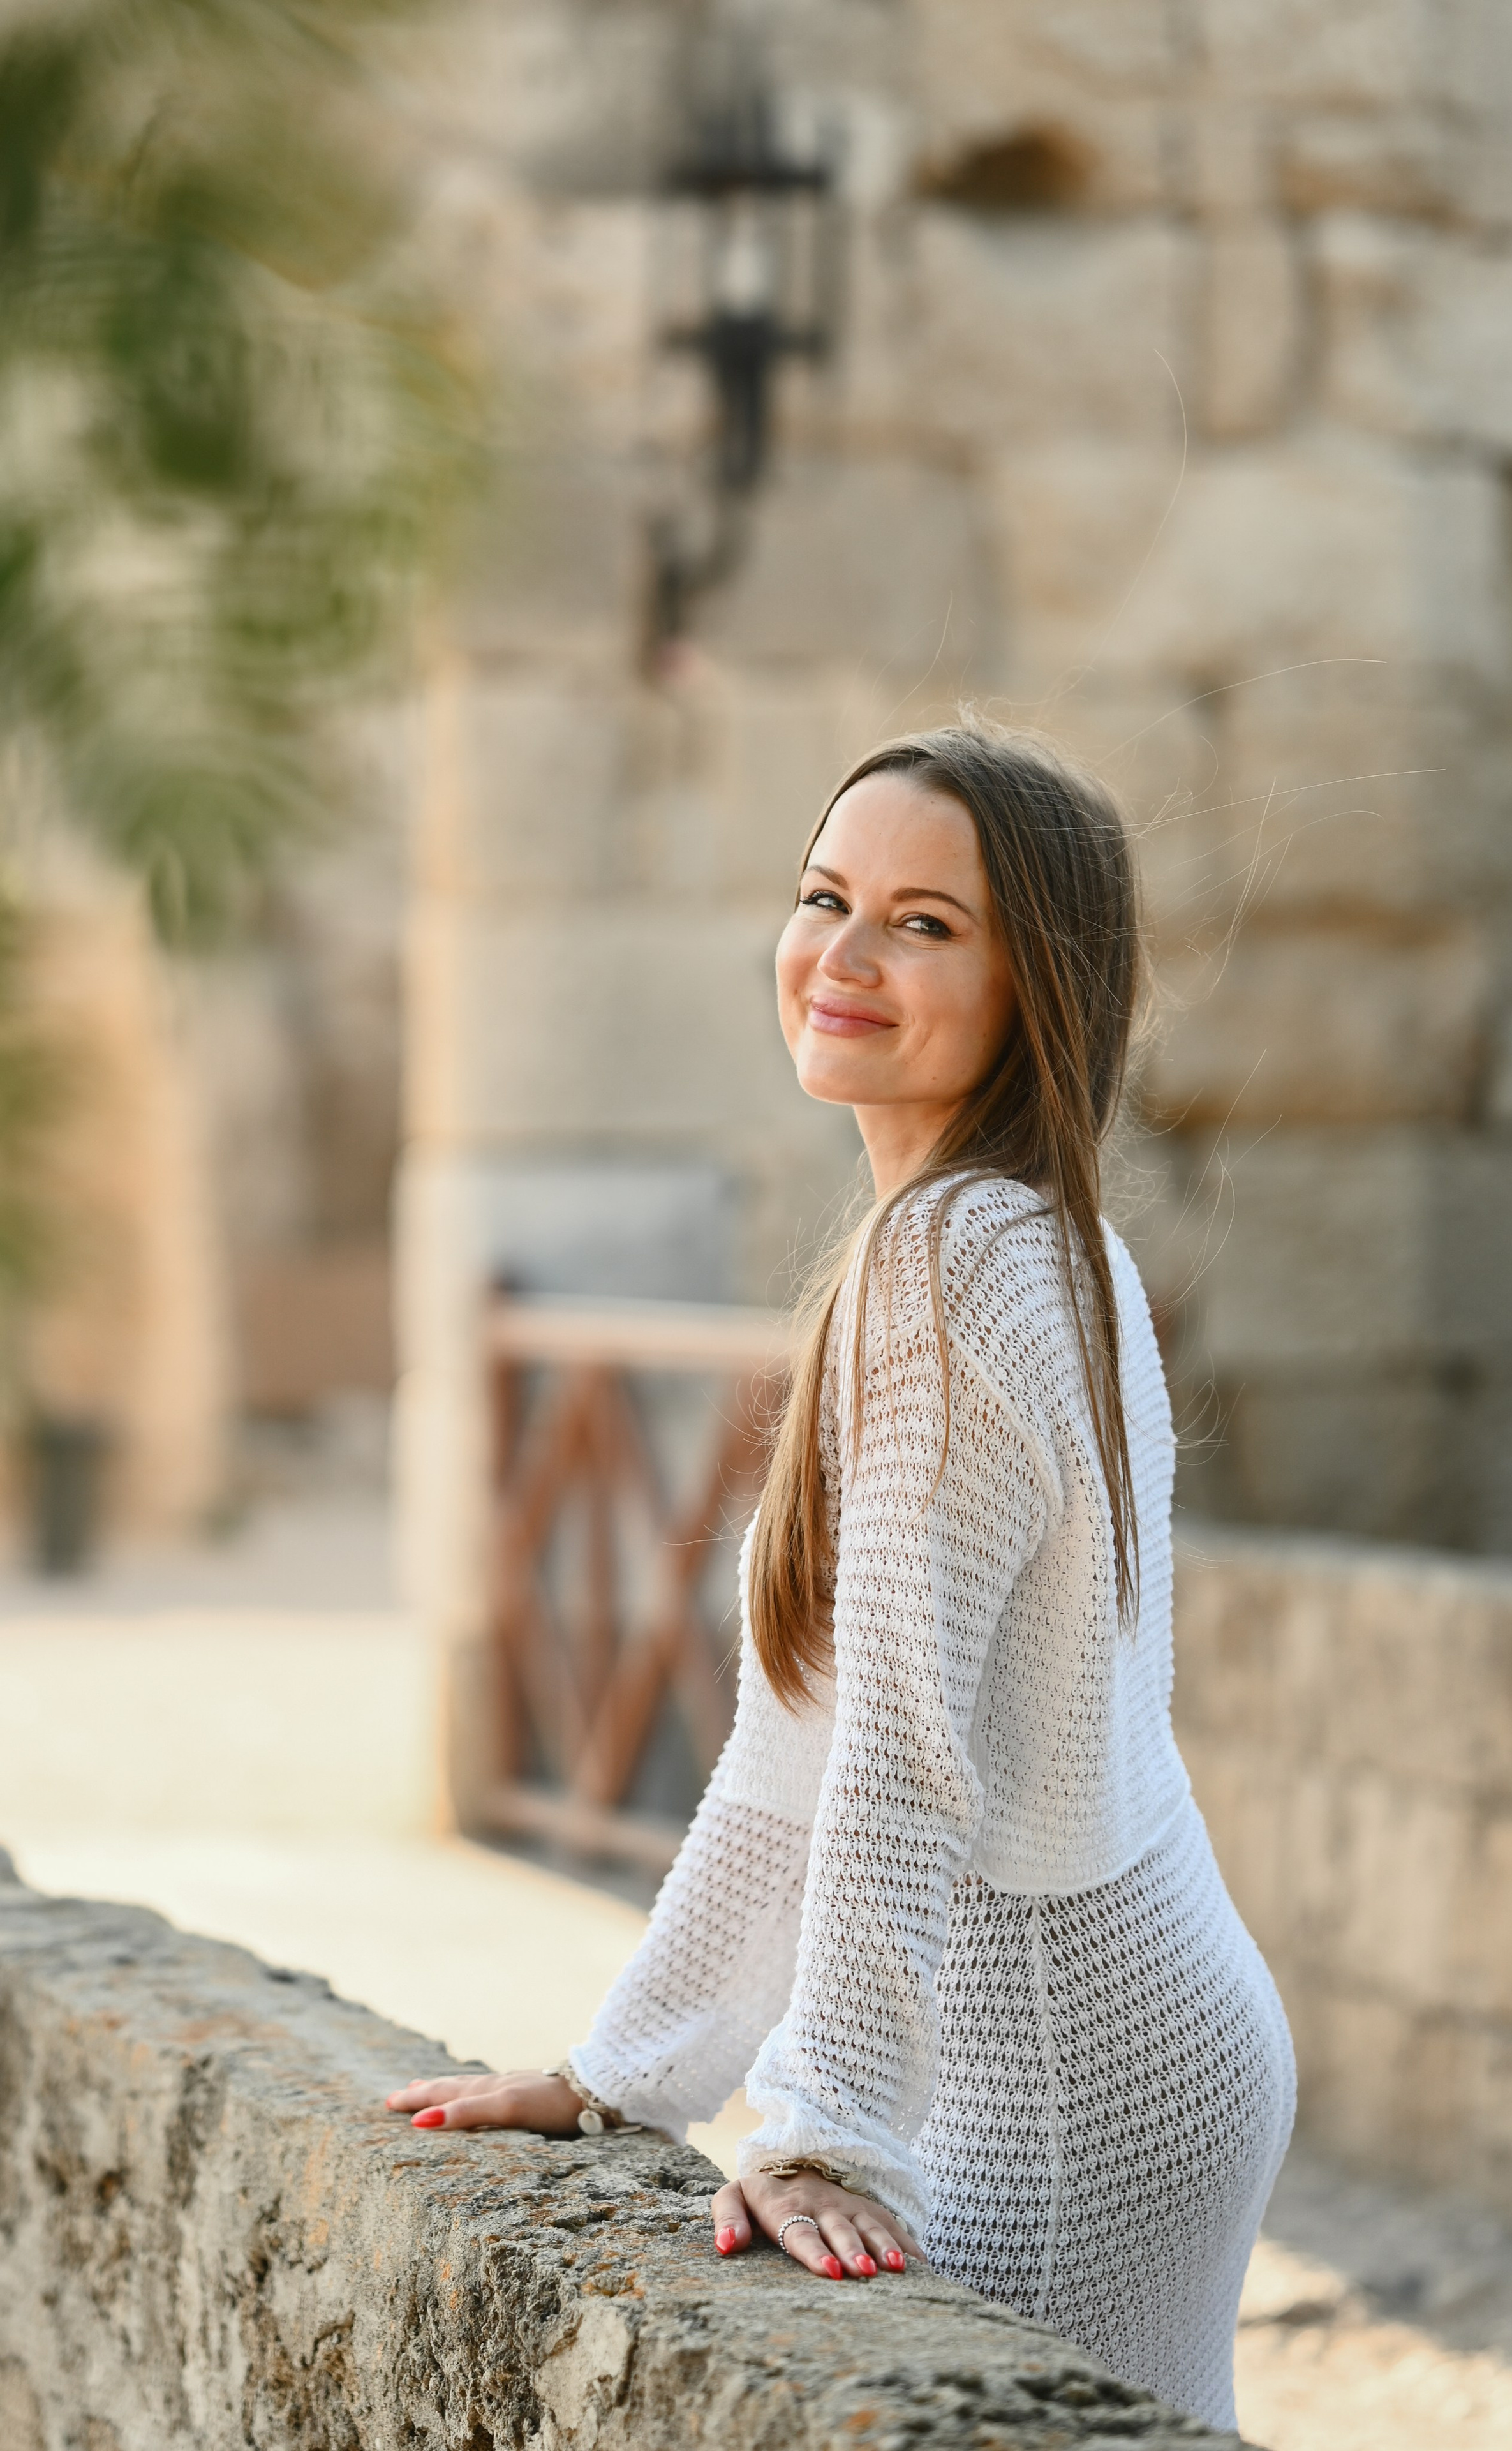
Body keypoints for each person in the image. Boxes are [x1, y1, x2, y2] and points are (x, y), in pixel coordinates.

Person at [387, 723, 1294, 2431]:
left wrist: (817, 2123)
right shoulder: (1026, 1231)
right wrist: (623, 2071)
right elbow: (799, 1752)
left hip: (1064, 2068)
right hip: (1142, 2024)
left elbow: (906, 1754)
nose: (847, 954)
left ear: (1042, 981)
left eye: (927, 922)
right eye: (826, 897)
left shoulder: (954, 1259)